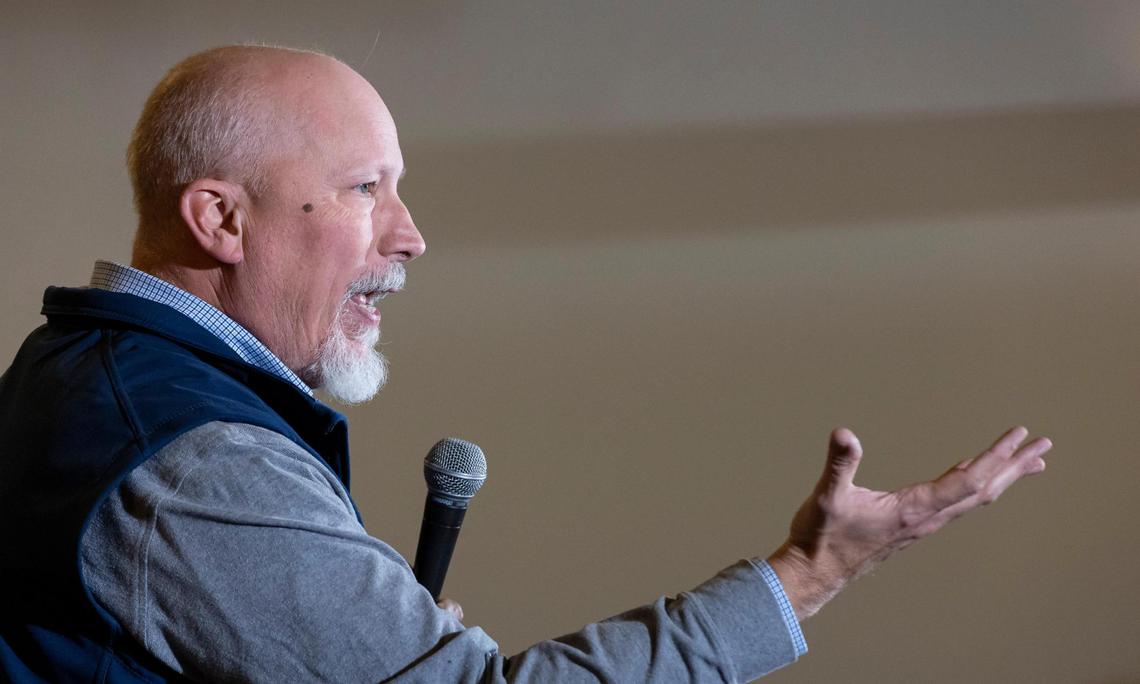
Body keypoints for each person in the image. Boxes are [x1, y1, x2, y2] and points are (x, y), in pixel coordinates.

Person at [0, 45, 1053, 683]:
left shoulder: (77, 369)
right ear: (221, 218)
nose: (409, 235)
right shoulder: (192, 461)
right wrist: (811, 574)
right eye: (367, 188)